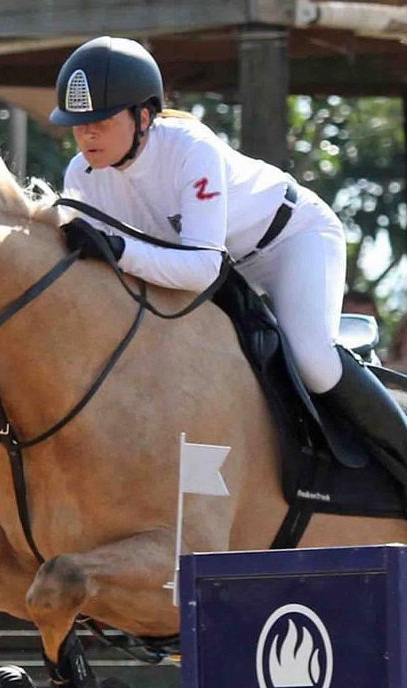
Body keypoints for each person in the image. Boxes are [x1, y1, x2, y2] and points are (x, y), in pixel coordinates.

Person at [50, 35, 407, 499]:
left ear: (143, 117)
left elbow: (200, 266)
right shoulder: (81, 177)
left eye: (101, 120)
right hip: (225, 272)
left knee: (314, 362)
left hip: (291, 241)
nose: (87, 135)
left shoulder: (187, 147)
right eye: (79, 124)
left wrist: (117, 250)